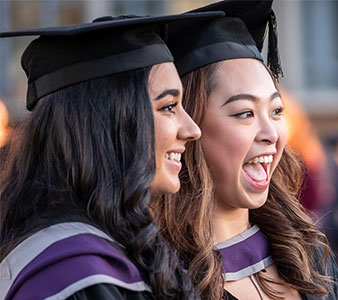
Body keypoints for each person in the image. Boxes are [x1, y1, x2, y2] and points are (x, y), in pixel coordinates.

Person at [0, 12, 221, 299]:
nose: (192, 129)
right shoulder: (72, 275)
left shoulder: (127, 251)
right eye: (169, 106)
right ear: (109, 123)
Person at [152, 1, 338, 299]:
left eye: (276, 111)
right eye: (245, 113)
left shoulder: (305, 255)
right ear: (189, 127)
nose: (271, 134)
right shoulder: (158, 278)